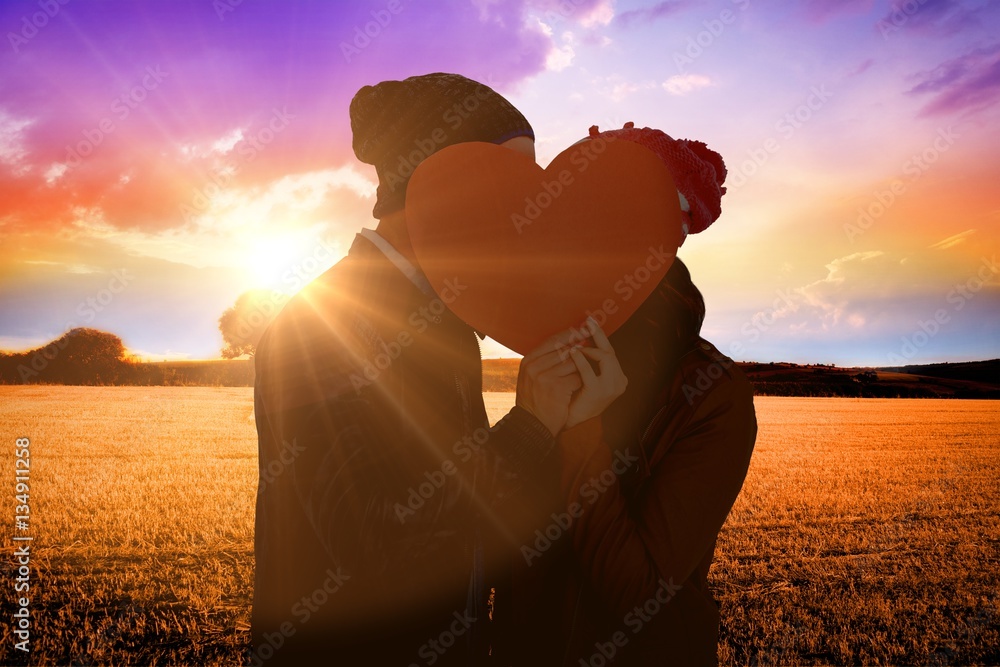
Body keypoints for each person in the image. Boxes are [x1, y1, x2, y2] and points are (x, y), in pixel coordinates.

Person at [250, 73, 620, 666]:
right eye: (504, 181)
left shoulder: (447, 321)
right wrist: (529, 427)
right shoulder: (321, 326)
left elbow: (466, 525)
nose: (525, 206)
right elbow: (376, 546)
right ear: (430, 183)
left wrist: (567, 430)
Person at [496, 124, 759, 666]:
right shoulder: (556, 348)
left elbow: (640, 595)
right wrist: (528, 424)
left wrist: (581, 433)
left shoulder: (713, 393)